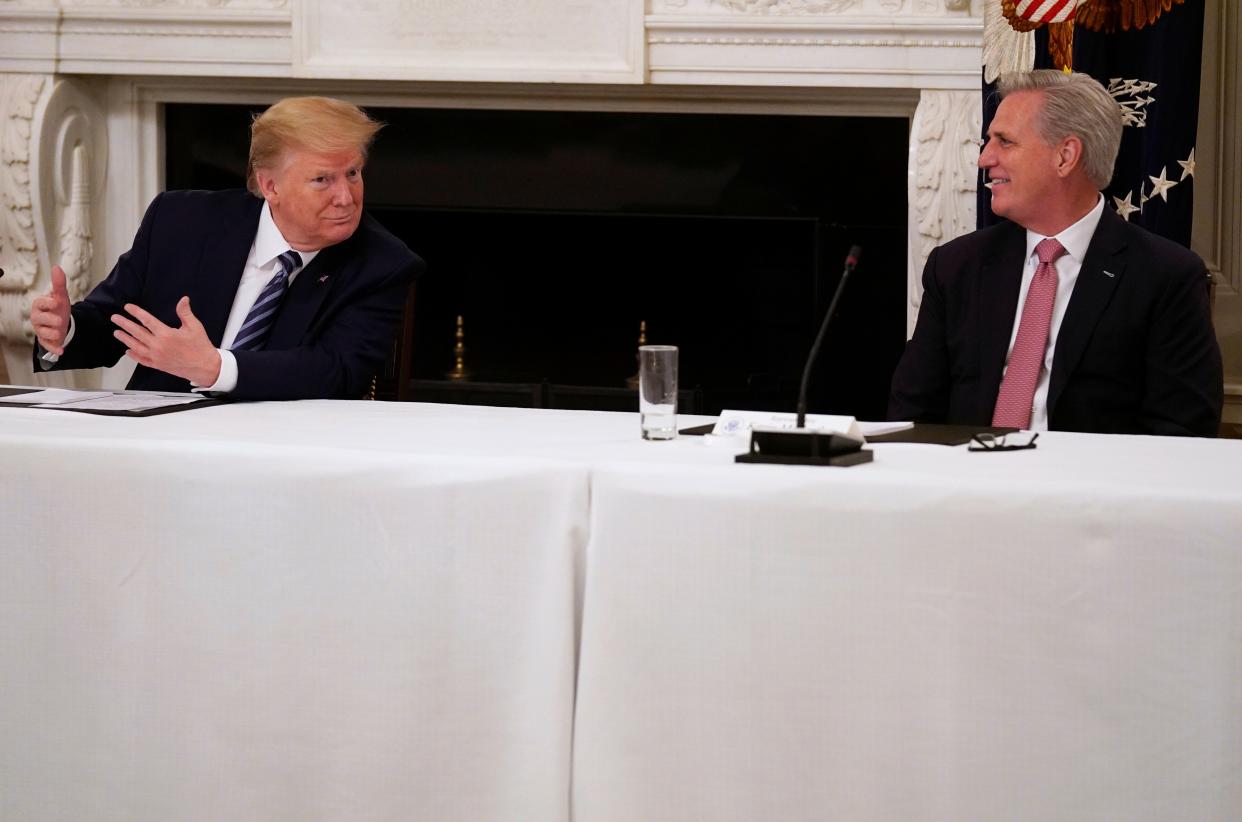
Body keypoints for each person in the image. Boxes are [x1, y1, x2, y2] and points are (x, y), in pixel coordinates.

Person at [889, 70, 1222, 437]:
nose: (985, 159)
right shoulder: (956, 266)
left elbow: (1181, 430)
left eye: (1005, 142)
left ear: (1065, 156)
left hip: (1092, 489)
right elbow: (912, 410)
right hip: (970, 483)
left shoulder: (1166, 276)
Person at [30, 96, 423, 400]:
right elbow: (117, 322)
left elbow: (336, 370)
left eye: (352, 174)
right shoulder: (181, 220)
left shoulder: (382, 263)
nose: (345, 197)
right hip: (155, 442)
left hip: (282, 453)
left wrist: (215, 368)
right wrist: (67, 329)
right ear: (270, 186)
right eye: (322, 179)